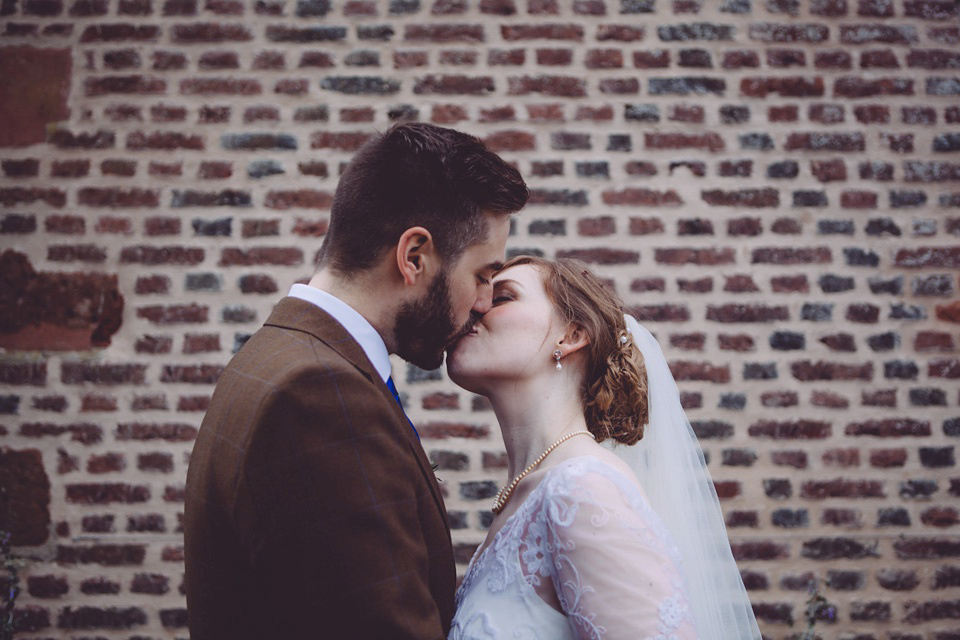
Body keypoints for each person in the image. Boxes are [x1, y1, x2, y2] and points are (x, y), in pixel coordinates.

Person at [183, 122, 528, 639]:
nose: (484, 301)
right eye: (482, 274)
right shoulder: (317, 396)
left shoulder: (277, 354)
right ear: (414, 256)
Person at [445, 256, 761, 639]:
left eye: (503, 297)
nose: (476, 307)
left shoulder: (580, 489)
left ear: (571, 335)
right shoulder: (524, 495)